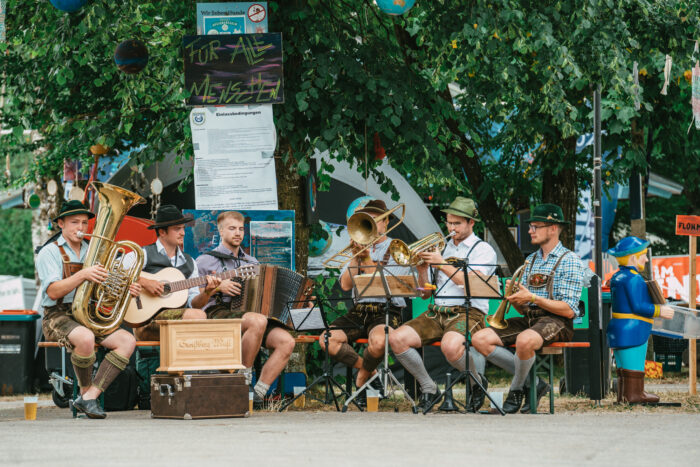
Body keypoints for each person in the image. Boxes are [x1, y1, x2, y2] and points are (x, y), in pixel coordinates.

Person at [472, 203, 585, 414]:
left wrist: (532, 296)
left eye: (535, 226)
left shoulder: (569, 260)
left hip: (557, 322)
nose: (530, 230)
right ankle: (536, 383)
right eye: (531, 226)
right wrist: (514, 299)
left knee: (524, 340)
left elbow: (568, 310)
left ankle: (516, 389)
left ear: (553, 228)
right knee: (480, 338)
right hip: (532, 320)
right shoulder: (530, 260)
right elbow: (525, 310)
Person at [389, 196, 497, 412]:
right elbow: (425, 294)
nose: (451, 227)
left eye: (457, 223)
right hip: (437, 311)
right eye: (448, 222)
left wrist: (441, 263)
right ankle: (429, 387)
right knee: (396, 338)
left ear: (471, 223)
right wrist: (421, 269)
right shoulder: (442, 248)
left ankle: (476, 382)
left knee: (450, 346)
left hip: (469, 311)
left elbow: (471, 284)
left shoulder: (483, 250)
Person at [36, 200, 140, 419]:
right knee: (85, 338)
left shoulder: (94, 251)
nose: (81, 227)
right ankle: (84, 391)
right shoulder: (49, 252)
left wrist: (125, 288)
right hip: (58, 314)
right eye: (74, 222)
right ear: (61, 224)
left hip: (88, 312)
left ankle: (90, 396)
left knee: (127, 341)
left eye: (84, 222)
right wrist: (83, 274)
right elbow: (53, 292)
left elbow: (107, 286)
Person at [195, 211, 295, 406]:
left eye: (241, 229)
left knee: (287, 341)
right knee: (257, 321)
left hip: (250, 316)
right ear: (221, 230)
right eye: (232, 228)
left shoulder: (252, 262)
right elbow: (194, 302)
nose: (238, 233)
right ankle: (242, 380)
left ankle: (257, 395)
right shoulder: (204, 261)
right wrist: (216, 287)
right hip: (217, 313)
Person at [318, 199, 406, 407]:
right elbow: (347, 286)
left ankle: (362, 378)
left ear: (385, 223)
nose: (372, 224)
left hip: (386, 309)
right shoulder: (356, 248)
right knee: (326, 340)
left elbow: (385, 286)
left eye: (375, 220)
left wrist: (366, 259)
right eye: (367, 220)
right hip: (360, 310)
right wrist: (355, 258)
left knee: (379, 342)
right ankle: (368, 370)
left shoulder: (397, 248)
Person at [607, 236, 674, 404]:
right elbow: (638, 307)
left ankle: (623, 395)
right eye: (643, 254)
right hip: (633, 329)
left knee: (622, 366)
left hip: (618, 328)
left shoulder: (617, 277)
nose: (646, 258)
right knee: (634, 364)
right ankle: (635, 395)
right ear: (633, 258)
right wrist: (660, 310)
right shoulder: (634, 278)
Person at [129, 205, 210, 341]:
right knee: (198, 316)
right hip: (146, 320)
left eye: (183, 228)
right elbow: (114, 271)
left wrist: (208, 292)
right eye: (177, 229)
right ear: (162, 232)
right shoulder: (144, 254)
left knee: (199, 315)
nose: (183, 233)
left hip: (177, 318)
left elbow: (194, 304)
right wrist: (144, 282)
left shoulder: (190, 262)